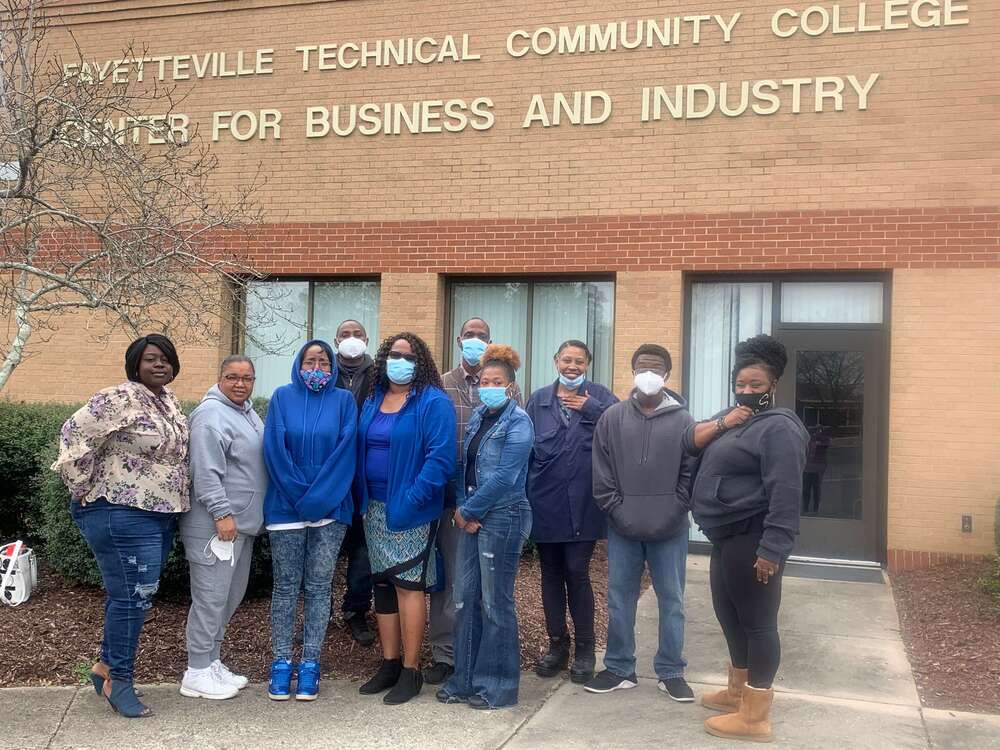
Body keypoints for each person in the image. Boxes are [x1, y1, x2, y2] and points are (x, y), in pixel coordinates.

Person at [52, 334, 188, 718]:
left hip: (159, 514)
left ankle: (105, 667)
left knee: (137, 596)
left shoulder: (168, 401)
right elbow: (73, 432)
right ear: (135, 364)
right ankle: (119, 681)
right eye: (150, 359)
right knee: (130, 597)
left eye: (165, 359)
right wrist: (81, 485)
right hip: (120, 511)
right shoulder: (118, 398)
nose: (159, 365)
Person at [684, 334, 808, 743]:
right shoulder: (737, 417)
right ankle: (738, 691)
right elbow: (690, 441)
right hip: (725, 537)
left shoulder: (780, 429)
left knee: (758, 623)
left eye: (756, 384)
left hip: (753, 538)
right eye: (741, 383)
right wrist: (726, 421)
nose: (747, 390)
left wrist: (773, 548)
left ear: (772, 386)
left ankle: (755, 716)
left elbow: (786, 493)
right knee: (729, 615)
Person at [586, 344, 695, 703]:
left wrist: (675, 511)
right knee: (619, 600)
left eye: (656, 368)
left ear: (666, 375)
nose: (649, 374)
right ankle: (619, 668)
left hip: (671, 531)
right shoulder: (612, 418)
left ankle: (671, 670)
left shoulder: (684, 420)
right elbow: (601, 475)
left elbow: (690, 474)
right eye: (642, 367)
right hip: (623, 529)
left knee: (672, 601)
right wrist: (618, 512)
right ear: (632, 373)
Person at [355, 332, 456, 705]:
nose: (401, 362)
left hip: (411, 510)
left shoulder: (432, 403)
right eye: (395, 355)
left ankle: (412, 670)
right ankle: (390, 663)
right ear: (383, 359)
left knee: (408, 586)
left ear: (421, 362)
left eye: (409, 356)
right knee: (382, 585)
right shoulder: (374, 399)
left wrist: (412, 499)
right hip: (374, 509)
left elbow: (441, 460)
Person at [437, 344, 533, 709]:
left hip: (505, 517)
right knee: (464, 600)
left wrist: (470, 510)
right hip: (473, 517)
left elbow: (507, 476)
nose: (487, 387)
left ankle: (498, 686)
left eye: (496, 382)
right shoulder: (478, 416)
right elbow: (466, 467)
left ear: (510, 387)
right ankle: (464, 680)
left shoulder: (519, 422)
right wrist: (465, 508)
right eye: (483, 381)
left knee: (496, 604)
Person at [263, 340, 357, 702]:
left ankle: (311, 664)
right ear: (298, 364)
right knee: (286, 586)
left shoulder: (344, 401)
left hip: (331, 508)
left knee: (319, 587)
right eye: (310, 361)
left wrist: (317, 500)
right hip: (286, 506)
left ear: (333, 367)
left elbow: (345, 451)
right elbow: (274, 451)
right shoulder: (281, 398)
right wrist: (302, 497)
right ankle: (282, 661)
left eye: (323, 362)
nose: (316, 367)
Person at [525, 340, 617, 683]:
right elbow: (525, 450)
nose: (573, 366)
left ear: (588, 364)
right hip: (546, 504)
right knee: (550, 573)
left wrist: (592, 409)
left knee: (577, 572)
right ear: (555, 361)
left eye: (579, 361)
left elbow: (622, 431)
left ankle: (585, 649)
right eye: (567, 359)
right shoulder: (538, 401)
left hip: (585, 506)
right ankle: (557, 646)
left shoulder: (603, 398)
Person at [179, 355, 266, 700]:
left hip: (240, 524)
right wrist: (221, 513)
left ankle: (211, 661)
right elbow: (205, 471)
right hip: (216, 525)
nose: (240, 384)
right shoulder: (211, 415)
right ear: (220, 378)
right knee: (210, 598)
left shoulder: (245, 412)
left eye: (247, 378)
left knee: (228, 597)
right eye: (232, 377)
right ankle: (196, 670)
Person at [333, 319, 376, 647]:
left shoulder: (380, 376)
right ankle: (318, 612)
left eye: (357, 335)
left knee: (363, 552)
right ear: (336, 341)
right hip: (330, 477)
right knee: (323, 548)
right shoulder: (321, 371)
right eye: (345, 335)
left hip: (365, 478)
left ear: (366, 339)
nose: (352, 340)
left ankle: (356, 611)